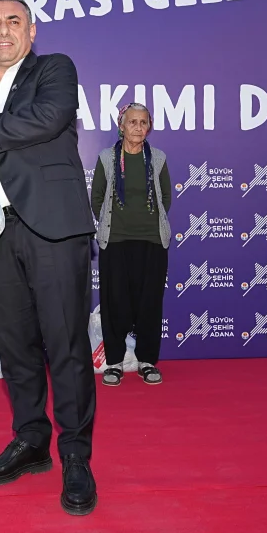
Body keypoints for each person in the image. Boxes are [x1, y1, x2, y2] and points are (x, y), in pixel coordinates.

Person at [0, 0, 98, 516]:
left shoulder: (54, 70)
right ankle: (31, 440)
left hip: (53, 227)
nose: (4, 30)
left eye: (14, 21)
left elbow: (46, 119)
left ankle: (75, 455)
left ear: (31, 31)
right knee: (15, 347)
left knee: (66, 344)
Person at [90, 103, 172, 386]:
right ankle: (114, 362)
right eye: (133, 122)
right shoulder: (107, 157)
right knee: (115, 303)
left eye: (143, 122)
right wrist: (114, 223)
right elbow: (97, 198)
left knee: (149, 302)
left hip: (152, 240)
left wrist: (147, 220)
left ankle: (147, 361)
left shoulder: (158, 158)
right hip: (115, 240)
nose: (138, 127)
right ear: (121, 125)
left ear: (149, 127)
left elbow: (165, 198)